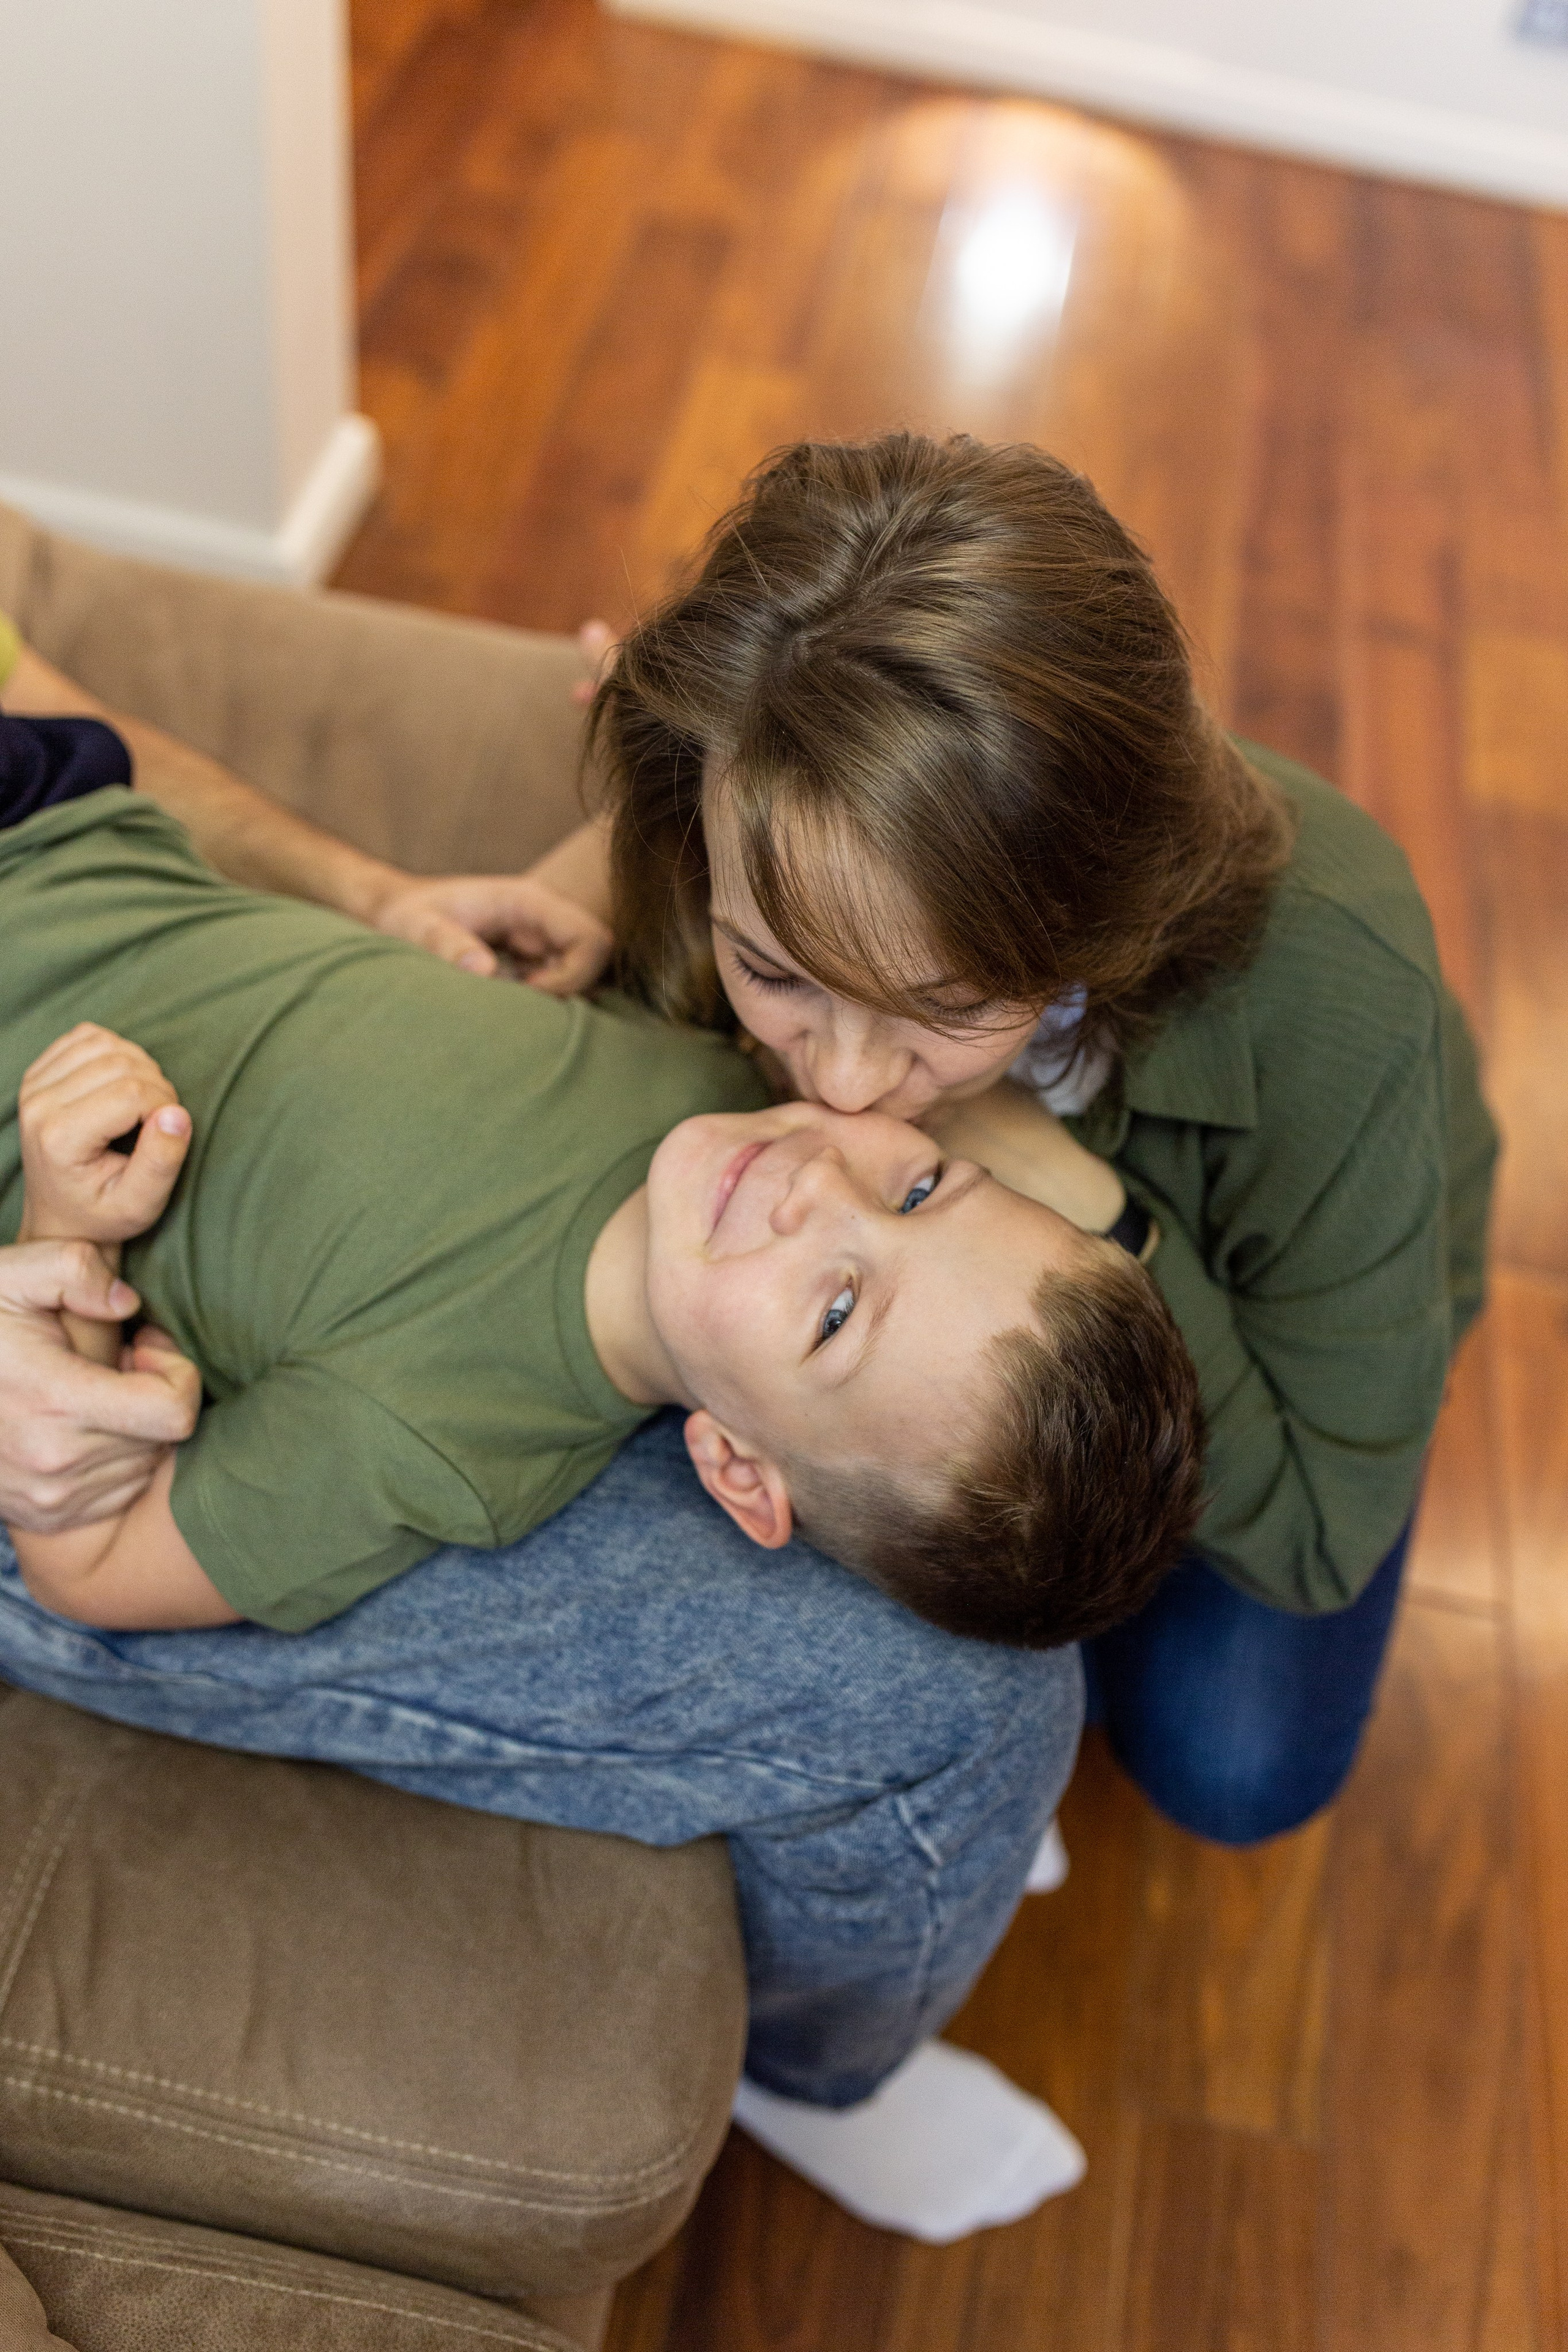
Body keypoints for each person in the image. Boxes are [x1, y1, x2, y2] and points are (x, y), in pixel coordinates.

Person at [533, 431, 1498, 1849]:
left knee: (1234, 1765)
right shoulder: (737, 792)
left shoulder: (1338, 988)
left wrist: (1092, 1219)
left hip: (1270, 1355)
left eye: (939, 1004)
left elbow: (1307, 1530)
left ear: (1094, 931)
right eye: (776, 972)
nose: (850, 1088)